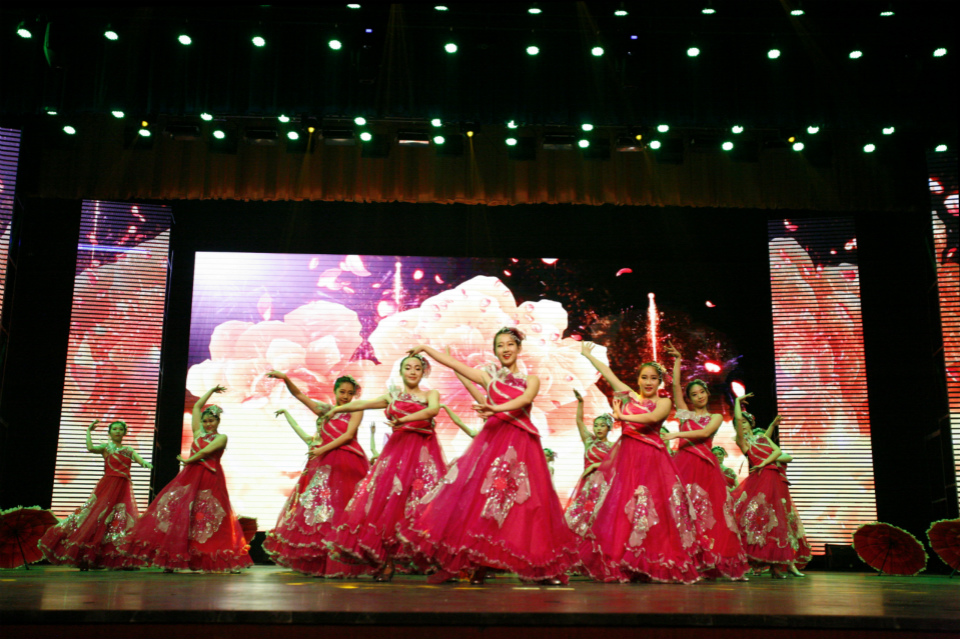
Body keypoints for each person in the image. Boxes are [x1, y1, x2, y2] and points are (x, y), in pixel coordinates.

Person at [404, 328, 579, 585]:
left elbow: (525, 400)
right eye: (500, 345)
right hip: (493, 443)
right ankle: (473, 564)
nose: (505, 349)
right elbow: (455, 365)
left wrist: (496, 408)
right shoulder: (489, 379)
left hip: (522, 445)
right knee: (481, 500)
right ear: (495, 350)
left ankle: (539, 569)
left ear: (519, 348)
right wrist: (425, 349)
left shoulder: (531, 380)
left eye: (510, 344)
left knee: (528, 504)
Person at [576, 342, 701, 584]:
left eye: (653, 378)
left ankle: (652, 561)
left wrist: (622, 416)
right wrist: (588, 355)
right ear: (638, 379)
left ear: (659, 382)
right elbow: (608, 374)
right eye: (644, 377)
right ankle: (624, 561)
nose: (648, 382)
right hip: (628, 460)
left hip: (652, 460)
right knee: (625, 508)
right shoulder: (629, 396)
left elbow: (652, 418)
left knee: (652, 507)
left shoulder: (664, 402)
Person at [328, 354, 446, 581]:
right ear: (401, 372)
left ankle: (433, 559)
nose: (413, 372)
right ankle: (386, 562)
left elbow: (432, 411)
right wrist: (336, 410)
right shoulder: (393, 396)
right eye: (408, 367)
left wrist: (403, 420)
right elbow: (363, 403)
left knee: (427, 504)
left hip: (423, 455)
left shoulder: (431, 394)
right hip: (397, 454)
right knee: (388, 505)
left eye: (417, 368)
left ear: (423, 372)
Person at [122, 386, 252, 573]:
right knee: (179, 512)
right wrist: (211, 391)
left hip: (209, 477)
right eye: (205, 421)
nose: (207, 424)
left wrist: (188, 460)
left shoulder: (222, 437)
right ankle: (171, 558)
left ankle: (221, 557)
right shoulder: (198, 433)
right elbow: (197, 406)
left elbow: (205, 452)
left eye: (211, 420)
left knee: (208, 515)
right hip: (190, 476)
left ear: (218, 421)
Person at [263, 375, 370, 578]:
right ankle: (321, 562)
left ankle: (343, 562)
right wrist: (285, 378)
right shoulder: (326, 411)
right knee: (322, 510)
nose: (346, 396)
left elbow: (348, 436)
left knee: (344, 509)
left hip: (348, 462)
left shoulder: (356, 409)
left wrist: (322, 449)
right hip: (326, 464)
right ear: (335, 391)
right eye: (342, 392)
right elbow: (299, 395)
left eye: (350, 393)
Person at [662, 343, 748, 580]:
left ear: (707, 394)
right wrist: (678, 360)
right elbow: (675, 388)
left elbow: (703, 433)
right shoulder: (685, 414)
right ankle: (687, 561)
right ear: (689, 399)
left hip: (705, 469)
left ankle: (713, 561)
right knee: (683, 512)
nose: (698, 396)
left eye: (701, 392)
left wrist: (677, 434)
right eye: (694, 394)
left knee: (709, 514)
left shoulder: (716, 417)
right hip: (683, 466)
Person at [40, 420, 152, 570]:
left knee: (119, 520)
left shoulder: (128, 450)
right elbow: (91, 448)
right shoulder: (106, 447)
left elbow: (139, 459)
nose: (118, 431)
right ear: (109, 432)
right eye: (114, 429)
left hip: (123, 487)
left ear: (124, 432)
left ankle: (118, 558)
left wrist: (144, 463)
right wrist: (88, 431)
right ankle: (85, 556)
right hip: (108, 485)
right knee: (98, 516)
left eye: (120, 429)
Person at [732, 393, 808, 578]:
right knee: (763, 520)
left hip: (775, 479)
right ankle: (760, 563)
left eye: (745, 422)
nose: (743, 425)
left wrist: (765, 462)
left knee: (781, 520)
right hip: (761, 480)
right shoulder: (743, 442)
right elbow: (772, 453)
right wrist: (737, 402)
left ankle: (781, 564)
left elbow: (778, 452)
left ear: (751, 424)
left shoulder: (762, 438)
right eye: (740, 423)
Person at [564, 390, 614, 536]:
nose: (598, 428)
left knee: (599, 516)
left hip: (604, 484)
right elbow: (579, 422)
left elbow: (615, 465)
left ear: (609, 428)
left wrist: (594, 465)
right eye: (596, 425)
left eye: (602, 425)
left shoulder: (613, 446)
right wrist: (581, 402)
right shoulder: (589, 441)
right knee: (581, 513)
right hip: (587, 483)